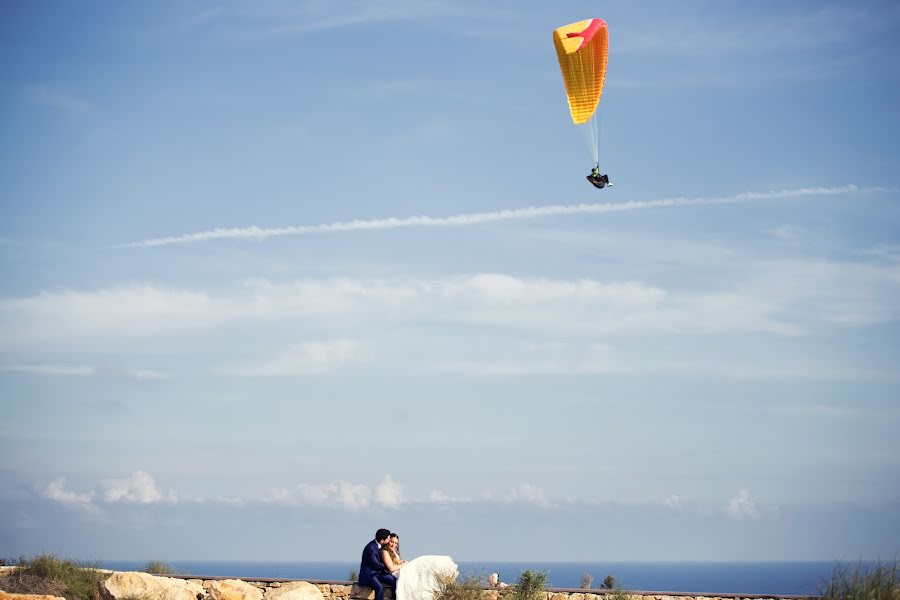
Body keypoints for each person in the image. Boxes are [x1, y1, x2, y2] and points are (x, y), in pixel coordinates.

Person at [359, 528, 397, 600]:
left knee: (394, 581)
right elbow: (377, 565)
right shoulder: (371, 548)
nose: (389, 541)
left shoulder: (380, 545)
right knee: (379, 588)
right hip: (369, 575)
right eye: (388, 539)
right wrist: (389, 565)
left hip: (378, 573)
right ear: (382, 541)